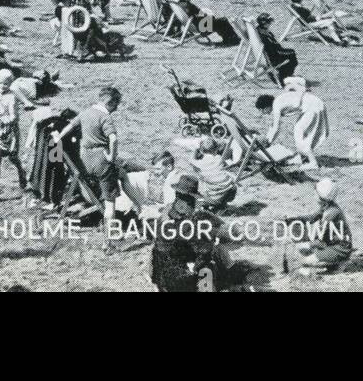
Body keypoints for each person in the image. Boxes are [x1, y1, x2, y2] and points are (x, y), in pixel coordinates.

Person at [54, 87, 150, 247]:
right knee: (109, 204)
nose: (117, 108)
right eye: (116, 104)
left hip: (85, 161)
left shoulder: (85, 112)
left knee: (122, 174)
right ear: (109, 102)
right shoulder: (105, 117)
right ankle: (109, 242)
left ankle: (139, 207)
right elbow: (113, 139)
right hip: (102, 163)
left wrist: (58, 137)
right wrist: (111, 156)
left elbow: (70, 126)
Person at [150, 174, 231, 292]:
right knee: (211, 254)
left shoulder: (166, 211)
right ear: (193, 198)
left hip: (162, 276)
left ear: (177, 194)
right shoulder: (198, 217)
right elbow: (226, 233)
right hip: (185, 275)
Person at [282, 178, 353, 275]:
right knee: (305, 250)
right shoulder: (327, 206)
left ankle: (340, 261)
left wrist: (304, 245)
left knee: (305, 260)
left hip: (340, 248)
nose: (313, 194)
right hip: (332, 243)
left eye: (315, 193)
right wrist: (295, 219)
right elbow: (312, 218)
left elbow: (319, 239)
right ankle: (332, 261)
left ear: (321, 197)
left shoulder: (331, 213)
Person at [267, 76, 328, 170]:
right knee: (299, 131)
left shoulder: (276, 106)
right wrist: (268, 139)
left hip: (313, 106)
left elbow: (276, 128)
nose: (265, 113)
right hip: (311, 104)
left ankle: (313, 163)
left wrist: (268, 143)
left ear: (264, 108)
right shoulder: (278, 101)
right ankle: (301, 158)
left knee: (299, 131)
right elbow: (273, 126)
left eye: (263, 111)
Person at [0, 70, 27, 203]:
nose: (3, 86)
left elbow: (14, 117)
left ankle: (21, 171)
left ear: (10, 84)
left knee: (13, 158)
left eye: (6, 84)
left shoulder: (12, 97)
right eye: (0, 83)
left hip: (9, 133)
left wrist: (3, 120)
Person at [191, 136, 237, 208]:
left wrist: (196, 149)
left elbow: (191, 161)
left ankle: (214, 204)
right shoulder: (219, 159)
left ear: (201, 151)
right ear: (216, 150)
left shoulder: (200, 164)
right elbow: (227, 163)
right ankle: (222, 203)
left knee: (200, 180)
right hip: (230, 192)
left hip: (214, 199)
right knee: (224, 176)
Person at [254, 12, 298, 78]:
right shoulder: (265, 36)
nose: (270, 24)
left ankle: (284, 73)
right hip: (273, 57)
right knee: (292, 55)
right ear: (264, 23)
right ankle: (284, 76)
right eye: (269, 23)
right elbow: (274, 49)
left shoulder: (258, 32)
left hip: (270, 55)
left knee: (290, 52)